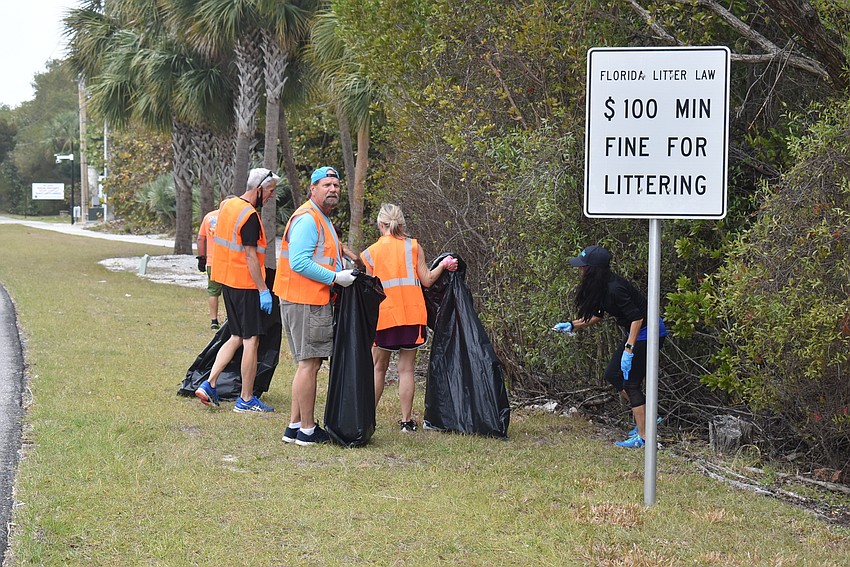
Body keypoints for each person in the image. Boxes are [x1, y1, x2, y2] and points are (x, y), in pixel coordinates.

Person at [273, 166, 356, 446]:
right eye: (326, 185)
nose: (333, 189)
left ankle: (294, 426)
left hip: (306, 299)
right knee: (309, 364)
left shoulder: (321, 218)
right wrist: (336, 278)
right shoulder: (309, 219)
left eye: (336, 185)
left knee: (307, 364)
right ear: (313, 189)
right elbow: (299, 262)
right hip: (307, 299)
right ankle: (308, 431)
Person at [553, 245, 667, 448]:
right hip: (637, 332)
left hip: (649, 332)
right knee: (613, 375)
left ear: (593, 270)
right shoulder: (601, 287)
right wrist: (572, 325)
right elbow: (597, 316)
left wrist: (629, 349)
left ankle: (644, 437)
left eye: (583, 266)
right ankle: (649, 419)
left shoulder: (615, 288)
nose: (579, 270)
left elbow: (637, 318)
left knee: (631, 383)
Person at [359, 204, 458, 432]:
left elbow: (370, 291)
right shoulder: (413, 247)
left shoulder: (370, 253)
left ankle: (368, 418)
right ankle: (406, 422)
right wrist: (443, 265)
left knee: (378, 368)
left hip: (384, 318)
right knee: (406, 370)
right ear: (402, 224)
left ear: (380, 224)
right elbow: (427, 280)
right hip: (412, 316)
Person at [194, 168, 280, 413]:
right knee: (251, 340)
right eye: (271, 191)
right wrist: (263, 290)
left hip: (228, 283)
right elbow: (252, 257)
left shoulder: (228, 206)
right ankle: (246, 399)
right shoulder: (250, 216)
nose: (272, 196)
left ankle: (209, 384)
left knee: (236, 336)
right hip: (246, 285)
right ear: (259, 189)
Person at [196, 196, 234, 330]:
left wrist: (201, 257)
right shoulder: (233, 218)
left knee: (213, 291)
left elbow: (201, 239)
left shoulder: (208, 217)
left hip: (212, 262)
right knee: (230, 291)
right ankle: (229, 318)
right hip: (230, 262)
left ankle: (214, 320)